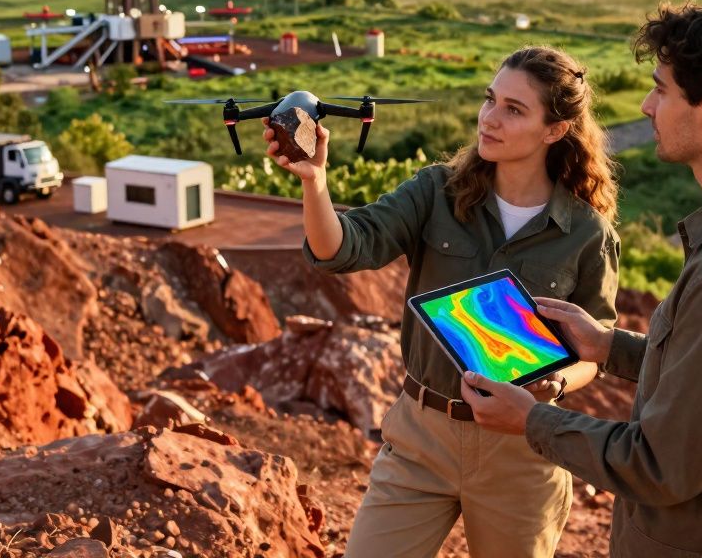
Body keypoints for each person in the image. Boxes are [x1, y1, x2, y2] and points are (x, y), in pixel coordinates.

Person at [460, 0, 702, 558]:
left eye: (662, 89)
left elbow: (662, 465)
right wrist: (607, 346)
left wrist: (533, 421)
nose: (646, 106)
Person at [264, 46, 621, 557]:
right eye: (489, 99)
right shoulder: (436, 192)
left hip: (521, 448)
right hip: (420, 438)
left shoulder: (586, 232)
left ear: (555, 130)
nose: (489, 119)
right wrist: (314, 182)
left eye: (513, 110)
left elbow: (595, 350)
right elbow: (342, 247)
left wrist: (557, 381)